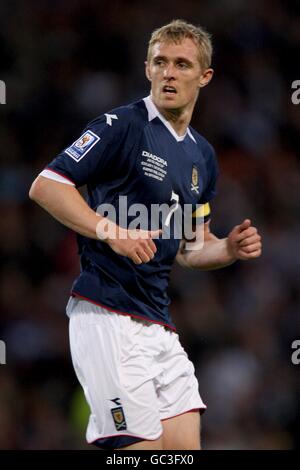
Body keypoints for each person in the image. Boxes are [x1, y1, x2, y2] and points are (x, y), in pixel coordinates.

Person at [29, 19, 262, 450]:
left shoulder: (202, 155)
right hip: (106, 316)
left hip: (158, 325)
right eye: (160, 63)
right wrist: (109, 231)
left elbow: (192, 249)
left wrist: (227, 248)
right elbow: (47, 185)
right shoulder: (120, 126)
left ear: (204, 76)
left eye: (181, 64)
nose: (169, 73)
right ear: (147, 68)